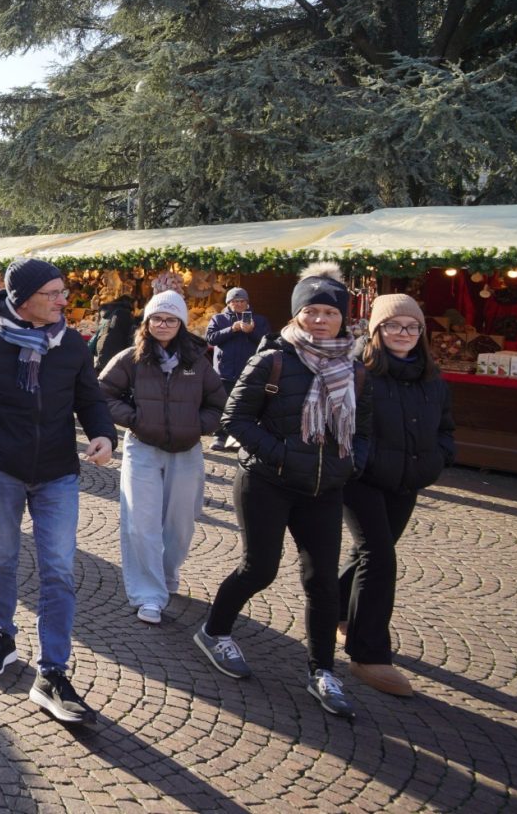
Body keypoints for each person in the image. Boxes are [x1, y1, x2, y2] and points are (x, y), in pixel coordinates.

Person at [0, 259, 117, 725]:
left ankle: (52, 673)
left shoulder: (72, 343)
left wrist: (103, 434)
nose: (64, 300)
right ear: (23, 299)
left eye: (64, 291)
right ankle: (2, 636)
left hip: (59, 471)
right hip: (3, 471)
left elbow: (90, 398)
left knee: (58, 570)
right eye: (54, 293)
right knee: (3, 557)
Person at [194, 262, 372, 720]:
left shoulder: (353, 370)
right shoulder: (272, 358)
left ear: (342, 319)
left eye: (327, 313)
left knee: (322, 582)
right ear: (296, 316)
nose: (318, 320)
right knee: (259, 569)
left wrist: (351, 463)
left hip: (324, 488)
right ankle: (214, 631)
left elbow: (366, 428)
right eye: (309, 311)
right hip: (266, 482)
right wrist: (280, 455)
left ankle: (321, 671)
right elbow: (234, 420)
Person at [339, 294, 455, 698]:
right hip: (363, 480)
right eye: (392, 326)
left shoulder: (431, 377)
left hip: (407, 481)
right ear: (376, 331)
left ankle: (338, 609)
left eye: (411, 327)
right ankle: (367, 653)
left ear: (421, 333)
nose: (402, 333)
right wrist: (358, 462)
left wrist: (438, 458)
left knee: (370, 551)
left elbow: (445, 427)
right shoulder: (359, 373)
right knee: (379, 557)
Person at [98, 290, 227, 624]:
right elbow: (102, 392)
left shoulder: (197, 361)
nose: (163, 324)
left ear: (181, 323)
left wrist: (198, 425)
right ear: (147, 322)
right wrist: (135, 419)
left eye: (170, 319)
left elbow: (218, 401)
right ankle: (147, 595)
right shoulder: (131, 358)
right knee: (141, 523)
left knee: (179, 524)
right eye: (157, 318)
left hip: (186, 451)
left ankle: (167, 573)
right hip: (143, 447)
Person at [205, 287, 270, 450]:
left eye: (242, 301)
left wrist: (251, 331)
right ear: (228, 303)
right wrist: (232, 329)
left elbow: (266, 342)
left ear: (247, 303)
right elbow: (211, 339)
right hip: (224, 371)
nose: (239, 304)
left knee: (246, 406)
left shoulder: (259, 320)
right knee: (222, 404)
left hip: (249, 371)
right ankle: (220, 436)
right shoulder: (218, 319)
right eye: (235, 301)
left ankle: (242, 438)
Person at [92, 294, 135, 373]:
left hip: (101, 348)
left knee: (101, 375)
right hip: (113, 350)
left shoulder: (108, 311)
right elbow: (128, 333)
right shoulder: (123, 313)